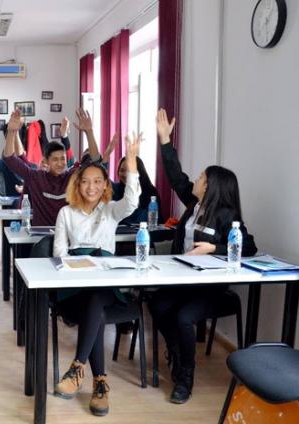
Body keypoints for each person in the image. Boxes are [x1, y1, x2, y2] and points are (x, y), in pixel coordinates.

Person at [148, 108, 258, 404]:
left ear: (209, 187)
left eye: (200, 177)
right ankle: (176, 354)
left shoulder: (225, 215)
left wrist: (216, 249)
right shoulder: (194, 205)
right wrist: (165, 140)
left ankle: (185, 378)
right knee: (156, 303)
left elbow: (249, 248)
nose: (194, 180)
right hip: (182, 282)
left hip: (209, 289)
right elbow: (175, 176)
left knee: (183, 316)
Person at [51, 132, 142, 417]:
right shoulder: (66, 213)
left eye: (98, 181)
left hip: (106, 285)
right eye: (85, 181)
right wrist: (79, 265)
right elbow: (59, 253)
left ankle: (78, 369)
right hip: (74, 288)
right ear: (78, 185)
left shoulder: (111, 211)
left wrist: (132, 161)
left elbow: (132, 202)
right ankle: (100, 383)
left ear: (105, 186)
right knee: (95, 305)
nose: (91, 186)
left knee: (98, 297)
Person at [3, 109, 101, 226]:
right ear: (46, 161)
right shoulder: (35, 177)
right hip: (43, 236)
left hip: (68, 236)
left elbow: (95, 161)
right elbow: (9, 158)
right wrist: (11, 132)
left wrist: (89, 132)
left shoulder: (72, 176)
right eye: (55, 159)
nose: (60, 163)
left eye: (62, 159)